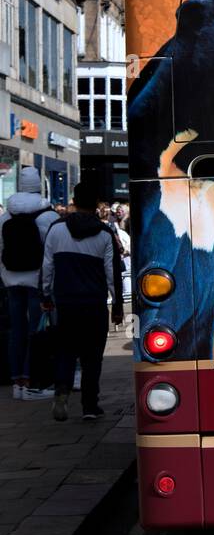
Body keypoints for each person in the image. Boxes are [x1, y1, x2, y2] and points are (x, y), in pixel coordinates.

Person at [41, 182, 124, 422]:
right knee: (92, 356)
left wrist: (45, 295)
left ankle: (62, 390)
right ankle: (90, 405)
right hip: (94, 303)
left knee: (65, 350)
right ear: (97, 203)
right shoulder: (105, 233)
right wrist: (117, 307)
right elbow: (112, 274)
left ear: (74, 201)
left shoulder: (56, 230)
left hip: (65, 302)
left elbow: (47, 266)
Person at [0, 166, 59, 399]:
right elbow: (52, 253)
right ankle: (34, 381)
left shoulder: (5, 216)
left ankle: (17, 384)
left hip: (12, 280)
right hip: (37, 281)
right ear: (39, 185)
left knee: (16, 330)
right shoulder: (49, 215)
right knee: (38, 331)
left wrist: (5, 276)